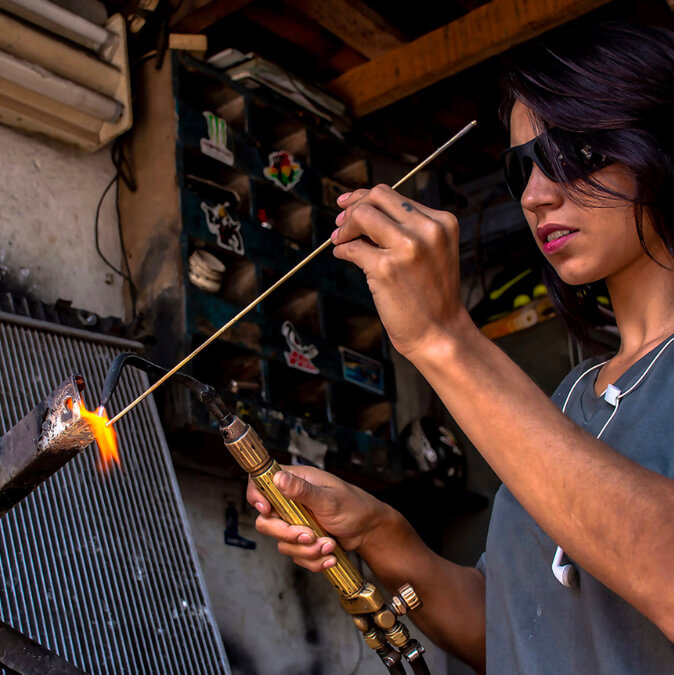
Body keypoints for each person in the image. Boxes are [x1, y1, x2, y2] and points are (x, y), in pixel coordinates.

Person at [247, 21, 674, 673]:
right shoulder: (567, 402)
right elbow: (512, 626)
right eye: (521, 167)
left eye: (573, 153)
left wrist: (442, 338)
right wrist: (379, 533)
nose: (535, 195)